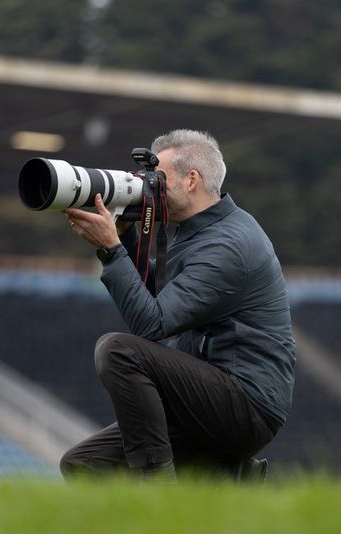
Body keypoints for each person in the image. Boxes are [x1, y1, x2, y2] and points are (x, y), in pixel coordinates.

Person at [60, 129, 295, 483]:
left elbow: (152, 323)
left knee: (119, 350)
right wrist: (124, 236)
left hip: (247, 404)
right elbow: (166, 292)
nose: (149, 187)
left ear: (191, 180)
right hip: (204, 397)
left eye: (159, 179)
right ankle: (231, 482)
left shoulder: (228, 244)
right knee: (84, 464)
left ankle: (159, 490)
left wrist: (111, 249)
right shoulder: (199, 229)